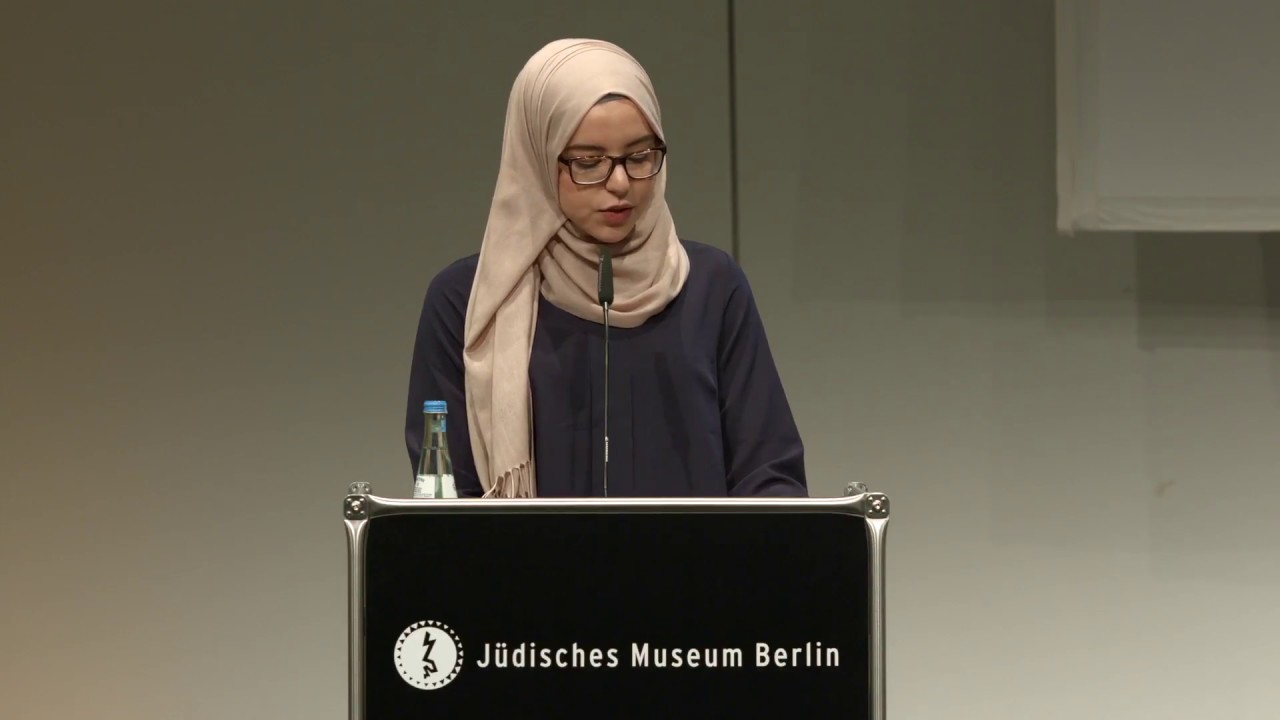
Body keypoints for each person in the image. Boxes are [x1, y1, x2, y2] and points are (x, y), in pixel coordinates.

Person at [405, 38, 805, 498]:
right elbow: (444, 497)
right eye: (588, 162)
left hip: (699, 569)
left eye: (639, 157)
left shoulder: (712, 287)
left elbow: (771, 475)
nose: (619, 184)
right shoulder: (467, 301)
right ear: (537, 158)